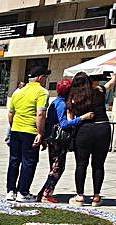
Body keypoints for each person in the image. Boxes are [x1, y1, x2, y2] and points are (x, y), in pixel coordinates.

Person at [37, 78, 91, 203]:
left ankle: (45, 191)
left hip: (52, 138)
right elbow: (64, 124)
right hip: (59, 140)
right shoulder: (62, 105)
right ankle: (46, 193)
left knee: (55, 166)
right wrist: (82, 118)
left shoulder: (55, 102)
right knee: (58, 167)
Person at [67, 72, 116, 206]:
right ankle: (96, 197)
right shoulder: (99, 91)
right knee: (98, 164)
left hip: (84, 130)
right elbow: (110, 85)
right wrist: (113, 77)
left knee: (81, 164)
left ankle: (80, 196)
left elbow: (70, 119)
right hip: (102, 129)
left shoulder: (74, 97)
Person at [6, 66, 50, 202]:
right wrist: (40, 133)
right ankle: (23, 192)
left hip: (16, 130)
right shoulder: (42, 92)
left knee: (14, 160)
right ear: (40, 78)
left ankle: (11, 190)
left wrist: (13, 127)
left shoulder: (18, 92)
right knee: (29, 162)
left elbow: (10, 113)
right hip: (30, 131)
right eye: (45, 77)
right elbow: (41, 114)